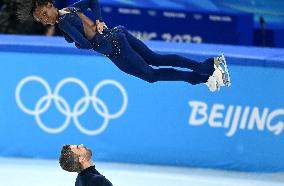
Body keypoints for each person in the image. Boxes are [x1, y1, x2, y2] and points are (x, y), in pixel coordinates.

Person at [17, 0, 231, 92]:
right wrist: (99, 19)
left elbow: (83, 43)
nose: (45, 19)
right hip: (117, 34)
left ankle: (204, 76)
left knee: (151, 75)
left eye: (44, 13)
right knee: (157, 59)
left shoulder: (63, 21)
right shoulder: (70, 10)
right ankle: (210, 65)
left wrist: (73, 39)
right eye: (41, 19)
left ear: (49, 4)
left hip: (115, 49)